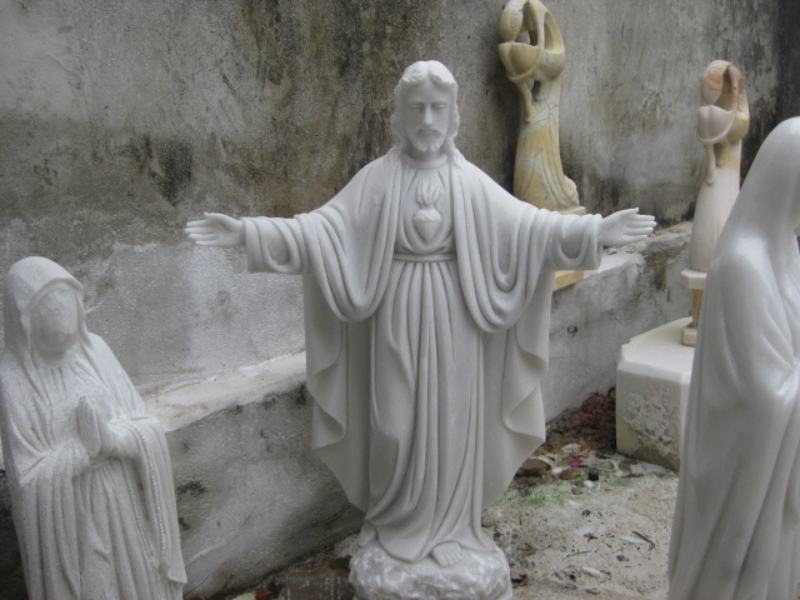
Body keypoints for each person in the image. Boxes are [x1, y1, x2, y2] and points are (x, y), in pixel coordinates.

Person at [186, 60, 654, 571]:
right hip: (394, 314)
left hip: (458, 318)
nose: (428, 120)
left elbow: (531, 228)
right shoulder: (377, 179)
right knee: (393, 422)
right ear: (399, 116)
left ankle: (451, 528)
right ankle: (394, 523)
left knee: (453, 421)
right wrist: (248, 233)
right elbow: (320, 231)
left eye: (438, 108)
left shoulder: (468, 182)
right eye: (417, 109)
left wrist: (594, 232)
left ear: (453, 117)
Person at [0, 257, 186, 600]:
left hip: (122, 498)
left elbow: (145, 424)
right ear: (23, 318)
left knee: (139, 581)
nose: (60, 313)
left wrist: (115, 440)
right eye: (46, 304)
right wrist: (80, 453)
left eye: (66, 299)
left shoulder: (96, 352)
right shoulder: (12, 379)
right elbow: (27, 480)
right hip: (73, 519)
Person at [668, 117, 800, 600]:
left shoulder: (788, 250)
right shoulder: (742, 266)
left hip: (780, 478)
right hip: (741, 477)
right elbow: (762, 400)